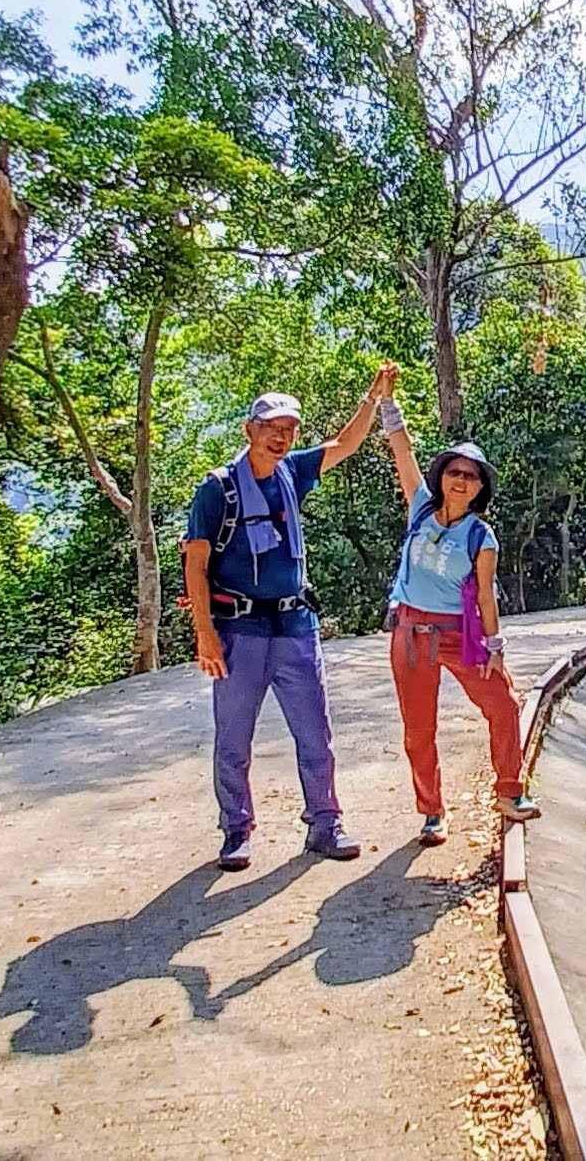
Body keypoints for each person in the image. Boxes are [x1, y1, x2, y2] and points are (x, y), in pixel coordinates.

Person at [185, 365, 398, 871]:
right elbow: (195, 563)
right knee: (234, 737)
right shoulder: (217, 490)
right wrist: (205, 634)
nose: (280, 437)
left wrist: (373, 397)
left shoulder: (293, 472)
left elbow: (344, 445)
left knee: (315, 733)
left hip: (295, 624)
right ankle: (236, 830)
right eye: (270, 428)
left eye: (288, 429)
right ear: (249, 430)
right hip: (239, 630)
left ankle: (325, 823)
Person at [376, 396, 538, 838]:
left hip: (457, 634)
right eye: (455, 472)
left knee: (503, 704)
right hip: (410, 633)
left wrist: (495, 648)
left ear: (480, 487)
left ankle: (510, 791)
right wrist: (387, 402)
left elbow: (486, 596)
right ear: (442, 477)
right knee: (418, 730)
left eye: (471, 475)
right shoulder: (420, 509)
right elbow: (402, 451)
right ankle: (432, 811)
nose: (461, 480)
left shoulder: (481, 536)